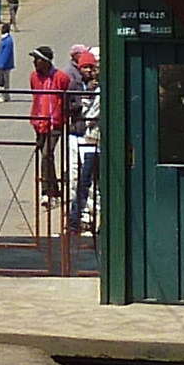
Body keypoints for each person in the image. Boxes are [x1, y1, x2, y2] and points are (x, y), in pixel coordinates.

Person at [67, 46, 102, 237]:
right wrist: (85, 99)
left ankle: (91, 221)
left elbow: (92, 115)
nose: (91, 71)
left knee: (94, 185)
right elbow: (72, 109)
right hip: (83, 138)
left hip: (95, 141)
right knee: (80, 181)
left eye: (94, 67)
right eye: (88, 67)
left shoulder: (101, 90)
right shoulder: (76, 85)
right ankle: (76, 223)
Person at [29, 46, 72, 200]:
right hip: (39, 121)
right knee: (46, 156)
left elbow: (67, 99)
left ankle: (46, 191)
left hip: (55, 122)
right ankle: (54, 189)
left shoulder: (61, 78)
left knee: (47, 154)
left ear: (45, 61)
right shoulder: (34, 77)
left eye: (37, 59)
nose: (34, 62)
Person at [0, 23, 16, 96]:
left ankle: (6, 96)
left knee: (6, 81)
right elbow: (0, 51)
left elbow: (7, 53)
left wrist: (3, 64)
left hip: (5, 65)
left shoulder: (8, 41)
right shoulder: (3, 39)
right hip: (1, 64)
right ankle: (3, 95)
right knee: (2, 81)